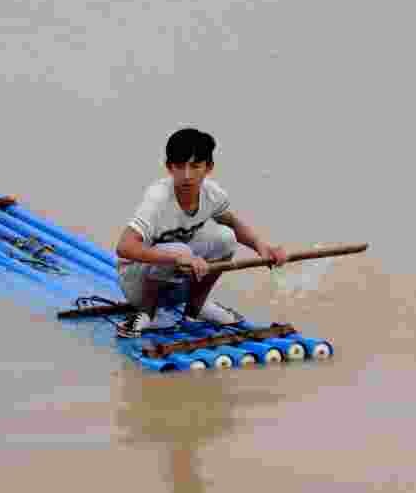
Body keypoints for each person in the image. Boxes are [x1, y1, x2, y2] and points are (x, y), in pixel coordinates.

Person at [114, 127, 288, 338]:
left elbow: (234, 224)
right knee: (180, 250)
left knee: (226, 238)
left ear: (208, 168)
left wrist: (263, 248)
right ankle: (146, 314)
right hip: (137, 284)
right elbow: (124, 247)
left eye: (195, 166)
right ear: (169, 168)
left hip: (174, 279)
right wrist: (178, 258)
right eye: (180, 167)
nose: (187, 176)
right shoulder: (157, 199)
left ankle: (194, 309)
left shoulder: (213, 194)